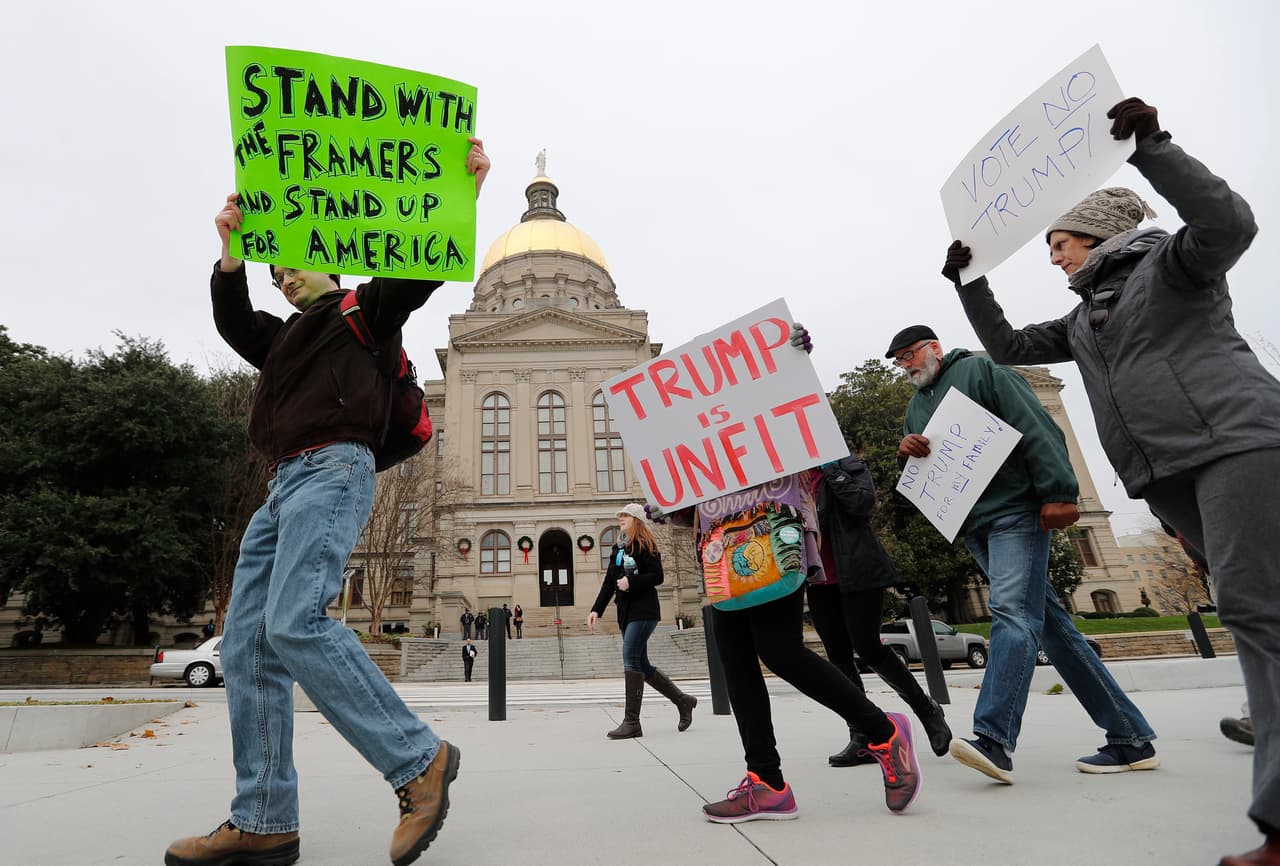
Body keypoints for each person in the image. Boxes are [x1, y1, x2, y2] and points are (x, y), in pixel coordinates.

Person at [942, 98, 1280, 864]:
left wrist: (1152, 146)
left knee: (1256, 613)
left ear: (1097, 235)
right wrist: (969, 281)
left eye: (1059, 243)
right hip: (1168, 475)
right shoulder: (1082, 317)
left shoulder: (1174, 265)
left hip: (1235, 443)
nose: (1053, 257)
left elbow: (1231, 223)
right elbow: (1008, 345)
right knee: (1255, 611)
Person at [164, 139, 489, 866]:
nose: (284, 281)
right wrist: (231, 255)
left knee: (295, 621)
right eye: (276, 275)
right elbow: (233, 322)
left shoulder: (362, 315)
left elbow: (414, 272)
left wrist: (459, 194)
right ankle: (264, 817)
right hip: (279, 489)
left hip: (333, 470)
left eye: (293, 266)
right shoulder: (280, 340)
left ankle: (419, 760)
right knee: (247, 646)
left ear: (331, 260)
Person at [651, 323, 921, 822]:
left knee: (780, 650)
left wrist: (793, 358)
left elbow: (803, 412)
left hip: (772, 533)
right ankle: (767, 782)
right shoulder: (699, 436)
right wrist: (669, 501)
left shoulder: (769, 414)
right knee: (736, 663)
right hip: (720, 549)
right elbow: (692, 506)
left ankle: (883, 732)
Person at [890, 325, 1158, 785]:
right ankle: (1131, 738)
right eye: (899, 360)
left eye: (910, 354)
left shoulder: (982, 372)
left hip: (1016, 512)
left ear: (934, 347)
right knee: (1053, 630)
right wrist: (905, 450)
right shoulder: (917, 406)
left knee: (1010, 612)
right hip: (974, 524)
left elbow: (1036, 425)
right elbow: (926, 466)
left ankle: (993, 738)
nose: (906, 365)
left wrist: (1059, 491)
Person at [808, 449, 951, 765]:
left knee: (868, 647)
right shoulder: (791, 480)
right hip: (818, 580)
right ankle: (862, 734)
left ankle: (926, 709)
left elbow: (862, 503)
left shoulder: (846, 464)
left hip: (859, 571)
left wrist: (830, 467)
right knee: (838, 658)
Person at [587, 504, 697, 739]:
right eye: (620, 516)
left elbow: (658, 576)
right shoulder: (618, 548)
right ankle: (683, 700)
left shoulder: (646, 544)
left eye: (625, 515)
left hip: (644, 611)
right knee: (642, 664)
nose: (621, 519)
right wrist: (596, 610)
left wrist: (632, 582)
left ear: (636, 519)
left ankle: (632, 722)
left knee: (630, 657)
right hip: (626, 612)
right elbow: (608, 583)